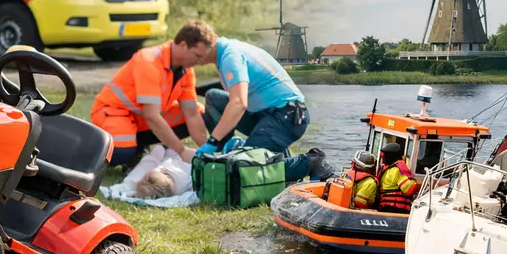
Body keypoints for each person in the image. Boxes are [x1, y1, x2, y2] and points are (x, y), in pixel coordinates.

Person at [193, 20, 333, 181]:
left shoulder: (230, 57)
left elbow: (238, 103)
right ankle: (226, 154)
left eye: (190, 52)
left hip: (287, 116)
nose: (189, 60)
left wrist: (212, 140)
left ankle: (311, 163)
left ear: (200, 46)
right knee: (213, 97)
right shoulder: (224, 52)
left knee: (242, 170)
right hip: (265, 113)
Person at [91, 23, 211, 167]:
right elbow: (152, 116)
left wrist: (206, 152)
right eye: (197, 56)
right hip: (114, 112)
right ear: (183, 45)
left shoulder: (186, 69)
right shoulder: (149, 61)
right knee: (121, 153)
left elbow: (191, 114)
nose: (199, 62)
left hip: (141, 118)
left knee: (200, 112)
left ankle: (138, 147)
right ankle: (88, 144)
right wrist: (182, 151)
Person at [377, 143, 420, 212]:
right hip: (397, 208)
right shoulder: (398, 170)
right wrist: (421, 186)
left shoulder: (386, 170)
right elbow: (409, 189)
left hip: (384, 206)